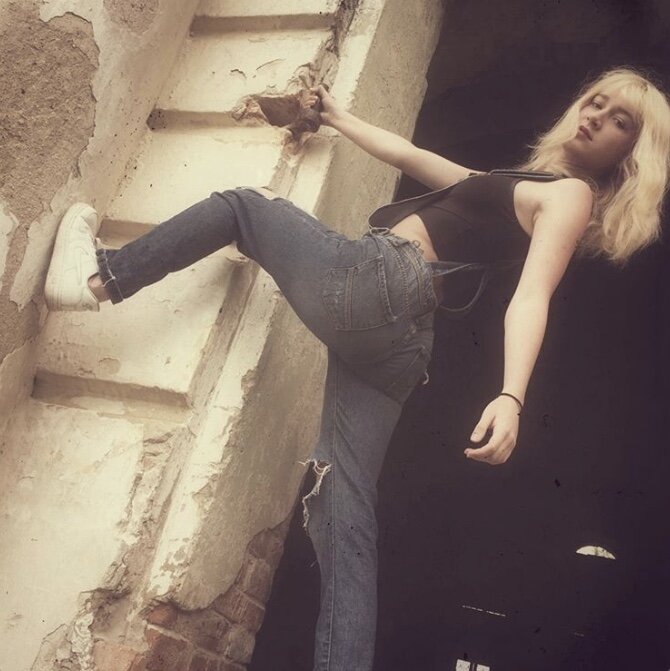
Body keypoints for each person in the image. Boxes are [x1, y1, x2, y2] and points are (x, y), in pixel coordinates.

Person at [43, 68, 670, 671]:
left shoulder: (571, 197)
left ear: (630, 156)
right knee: (343, 514)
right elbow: (413, 157)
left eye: (620, 121)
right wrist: (338, 117)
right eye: (596, 101)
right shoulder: (523, 184)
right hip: (401, 345)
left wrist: (511, 395)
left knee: (246, 204)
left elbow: (532, 296)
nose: (597, 117)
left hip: (380, 284)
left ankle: (100, 279)